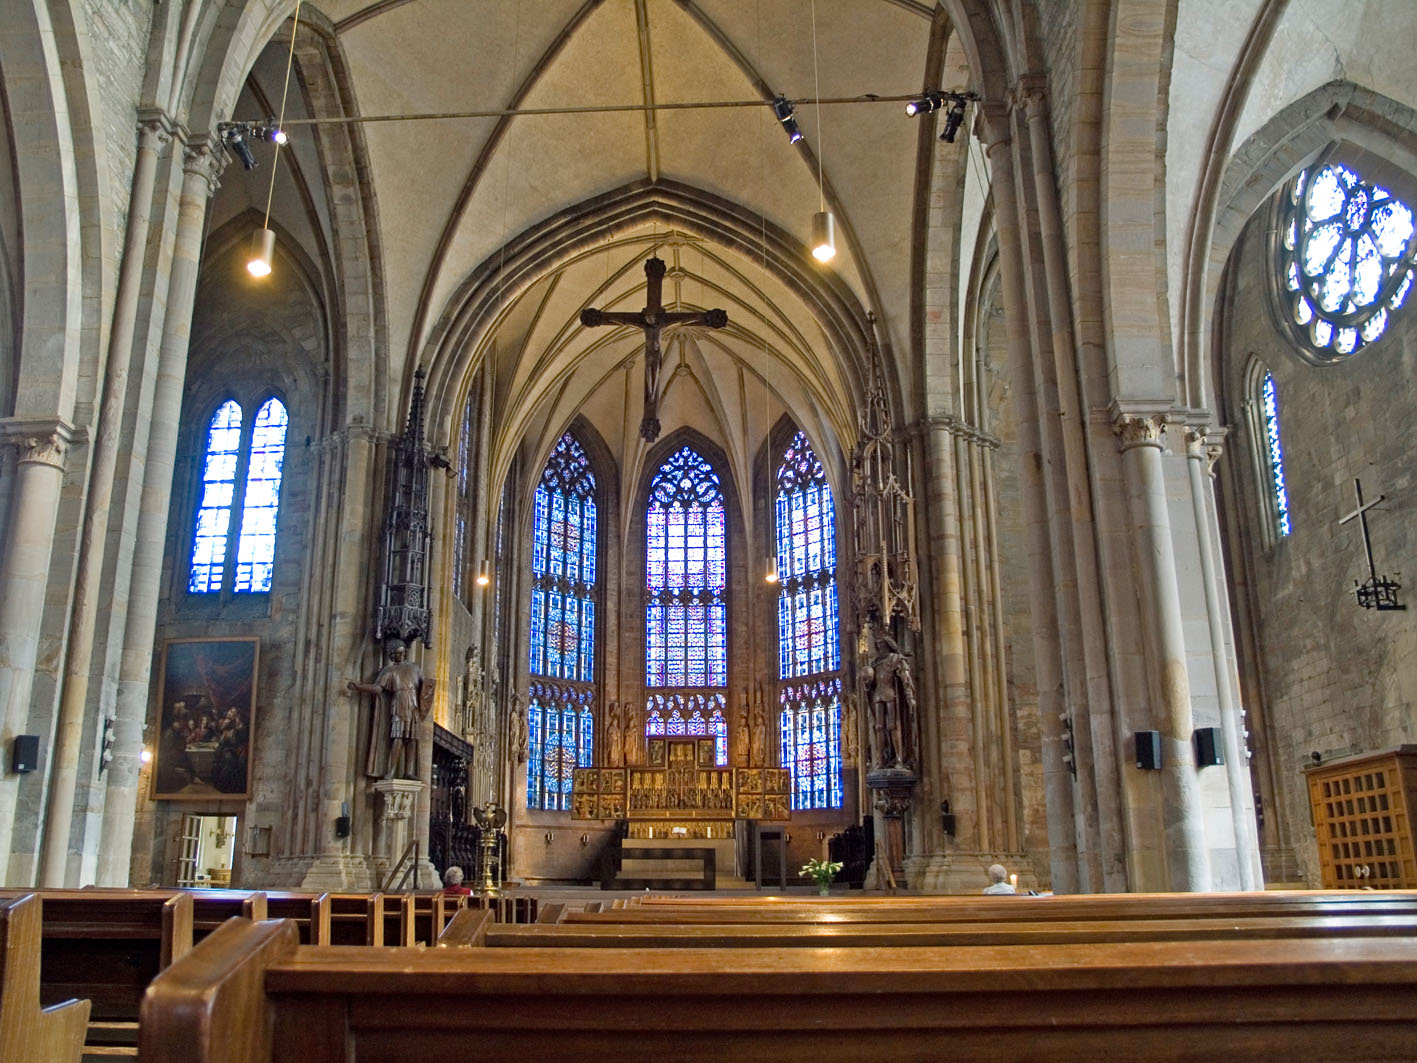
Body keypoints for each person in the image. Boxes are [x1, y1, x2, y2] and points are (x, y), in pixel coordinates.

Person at [348, 638, 433, 780]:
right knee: (398, 737)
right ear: (392, 655)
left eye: (403, 652)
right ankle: (391, 770)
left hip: (414, 706)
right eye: (398, 653)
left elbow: (426, 688)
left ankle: (408, 771)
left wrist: (425, 698)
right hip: (399, 704)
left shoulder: (415, 668)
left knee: (412, 738)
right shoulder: (389, 671)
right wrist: (359, 687)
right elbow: (377, 688)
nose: (401, 655)